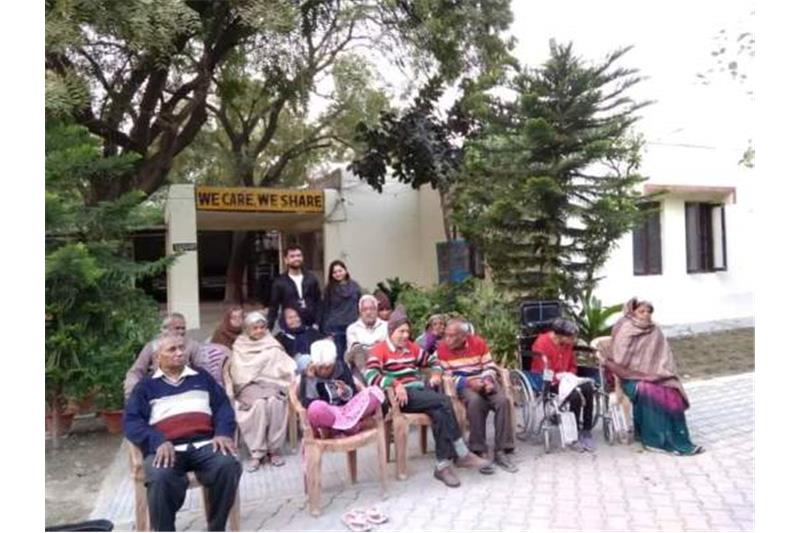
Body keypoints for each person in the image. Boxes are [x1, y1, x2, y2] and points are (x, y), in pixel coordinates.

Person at [124, 333, 242, 532]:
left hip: (205, 444)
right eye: (172, 349)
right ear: (157, 358)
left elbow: (223, 407)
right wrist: (157, 440)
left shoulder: (202, 377)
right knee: (160, 476)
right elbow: (132, 423)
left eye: (182, 347)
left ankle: (216, 527)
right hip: (166, 448)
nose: (180, 353)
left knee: (228, 465)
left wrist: (222, 432)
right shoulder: (145, 387)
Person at [364, 306, 491, 488]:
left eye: (407, 331)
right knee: (444, 401)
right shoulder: (380, 350)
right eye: (401, 331)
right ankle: (461, 453)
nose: (405, 335)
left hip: (419, 393)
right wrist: (394, 383)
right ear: (391, 331)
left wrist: (436, 374)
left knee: (440, 412)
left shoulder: (412, 348)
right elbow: (371, 376)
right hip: (400, 398)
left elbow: (433, 361)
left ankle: (443, 465)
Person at [598, 298, 704, 456]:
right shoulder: (625, 328)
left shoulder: (655, 330)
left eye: (649, 312)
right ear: (631, 312)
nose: (646, 315)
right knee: (652, 392)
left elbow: (664, 355)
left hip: (657, 375)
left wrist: (660, 373)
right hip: (630, 378)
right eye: (641, 311)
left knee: (672, 392)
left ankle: (679, 439)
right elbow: (620, 360)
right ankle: (655, 440)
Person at [436, 318, 518, 472]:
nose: (447, 339)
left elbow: (489, 365)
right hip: (463, 383)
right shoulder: (441, 349)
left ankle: (502, 450)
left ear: (463, 336)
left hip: (483, 378)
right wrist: (468, 383)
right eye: (446, 335)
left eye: (452, 336)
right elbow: (445, 376)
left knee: (502, 401)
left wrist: (487, 380)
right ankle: (479, 449)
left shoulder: (478, 343)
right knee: (475, 401)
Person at [230, 312, 297, 471]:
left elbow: (286, 367)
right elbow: (239, 373)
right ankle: (257, 452)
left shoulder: (272, 344)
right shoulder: (240, 346)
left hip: (272, 383)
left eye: (262, 327)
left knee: (275, 402)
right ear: (247, 330)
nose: (259, 331)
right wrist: (255, 379)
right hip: (249, 386)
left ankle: (273, 450)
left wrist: (276, 380)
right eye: (255, 328)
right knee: (259, 405)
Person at [531, 318, 596, 452]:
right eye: (571, 338)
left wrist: (569, 375)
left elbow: (572, 365)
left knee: (588, 388)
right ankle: (573, 434)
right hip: (548, 380)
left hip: (567, 378)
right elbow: (542, 370)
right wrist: (558, 378)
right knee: (575, 396)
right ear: (559, 335)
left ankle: (586, 430)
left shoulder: (567, 343)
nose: (574, 340)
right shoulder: (541, 343)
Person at [299, 339, 385, 438]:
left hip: (346, 411)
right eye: (320, 367)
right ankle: (351, 427)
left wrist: (345, 391)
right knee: (315, 408)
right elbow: (307, 404)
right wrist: (311, 380)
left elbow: (354, 395)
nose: (324, 371)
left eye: (328, 367)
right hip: (328, 414)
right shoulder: (308, 374)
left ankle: (342, 428)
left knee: (374, 392)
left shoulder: (341, 367)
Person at [124, 313, 203, 400]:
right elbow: (135, 372)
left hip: (186, 389)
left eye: (183, 328)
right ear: (165, 330)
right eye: (177, 328)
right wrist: (133, 392)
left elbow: (202, 370)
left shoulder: (193, 345)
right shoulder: (152, 346)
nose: (181, 331)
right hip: (156, 390)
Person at [266, 245, 322, 331]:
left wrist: (317, 323)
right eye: (292, 256)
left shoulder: (311, 279)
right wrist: (268, 328)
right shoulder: (279, 282)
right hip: (289, 327)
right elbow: (274, 307)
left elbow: (318, 303)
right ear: (286, 260)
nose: (296, 258)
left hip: (310, 326)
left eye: (299, 255)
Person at [321, 260, 362, 360]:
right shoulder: (329, 289)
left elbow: (360, 305)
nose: (338, 274)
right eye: (334, 272)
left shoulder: (355, 286)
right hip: (336, 327)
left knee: (353, 355)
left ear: (346, 270)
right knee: (339, 356)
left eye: (340, 270)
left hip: (353, 325)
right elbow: (326, 309)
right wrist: (326, 331)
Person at [275, 306, 325, 374]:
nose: (294, 320)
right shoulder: (280, 338)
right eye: (290, 318)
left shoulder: (311, 332)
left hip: (315, 371)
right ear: (284, 320)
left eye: (296, 316)